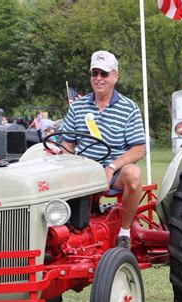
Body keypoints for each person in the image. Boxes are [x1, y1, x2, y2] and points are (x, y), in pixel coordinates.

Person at [61, 50, 146, 249]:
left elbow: (139, 149)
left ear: (115, 77)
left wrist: (110, 167)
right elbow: (67, 144)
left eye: (104, 74)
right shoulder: (78, 107)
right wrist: (66, 165)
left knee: (133, 174)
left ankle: (124, 233)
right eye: (95, 73)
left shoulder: (128, 108)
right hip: (84, 170)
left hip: (115, 172)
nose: (99, 78)